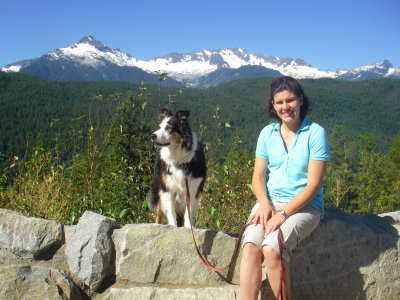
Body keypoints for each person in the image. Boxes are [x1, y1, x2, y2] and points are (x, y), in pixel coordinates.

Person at [240, 76, 330, 300]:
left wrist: (282, 214)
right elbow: (257, 177)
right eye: (279, 102)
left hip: (306, 206)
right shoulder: (267, 134)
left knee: (272, 249)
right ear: (272, 105)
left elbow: (313, 185)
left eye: (290, 100)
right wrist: (264, 204)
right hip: (270, 203)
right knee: (251, 246)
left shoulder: (315, 134)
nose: (285, 107)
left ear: (301, 100)